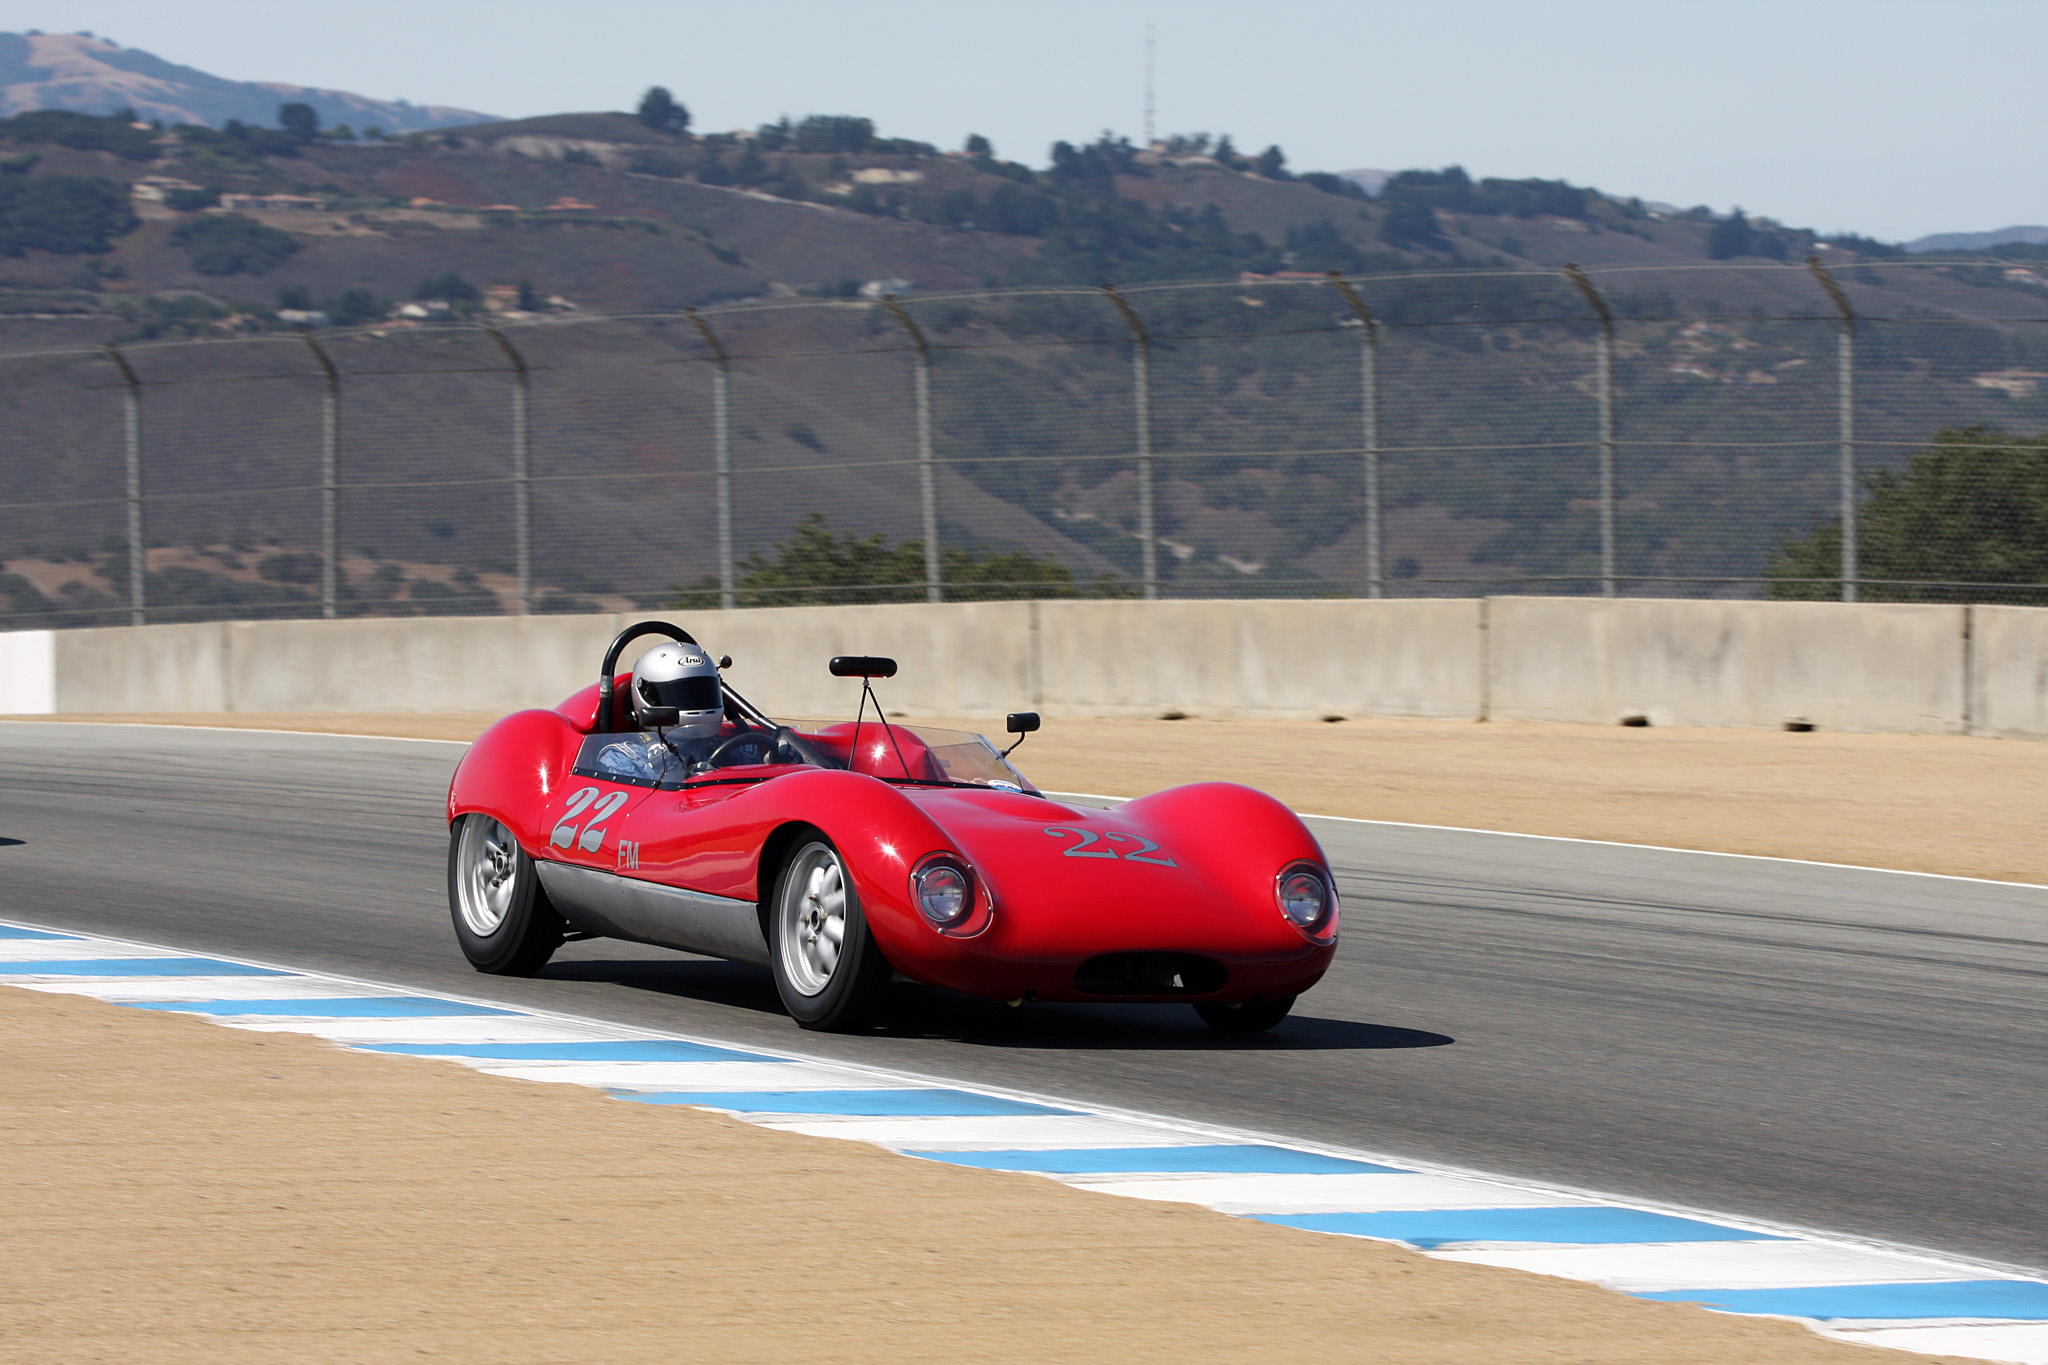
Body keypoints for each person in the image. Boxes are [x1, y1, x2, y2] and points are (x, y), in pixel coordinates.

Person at [592, 641, 728, 783]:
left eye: (703, 692)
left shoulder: (731, 747)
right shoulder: (623, 758)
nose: (697, 702)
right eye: (681, 694)